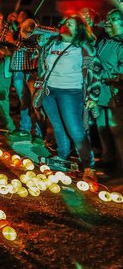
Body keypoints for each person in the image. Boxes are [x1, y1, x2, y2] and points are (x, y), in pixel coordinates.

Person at [39, 14, 101, 181]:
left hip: (71, 92)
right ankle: (62, 155)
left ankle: (89, 165)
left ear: (79, 29)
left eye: (71, 24)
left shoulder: (84, 48)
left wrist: (93, 95)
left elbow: (95, 72)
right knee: (57, 126)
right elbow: (42, 64)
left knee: (75, 129)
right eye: (66, 23)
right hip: (49, 91)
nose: (67, 26)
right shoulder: (52, 43)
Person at [9, 12, 47, 144]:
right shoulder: (15, 31)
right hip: (18, 71)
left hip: (32, 71)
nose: (20, 21)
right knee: (24, 102)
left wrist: (15, 42)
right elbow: (1, 37)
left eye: (22, 19)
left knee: (36, 104)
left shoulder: (37, 32)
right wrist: (8, 22)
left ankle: (39, 133)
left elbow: (35, 48)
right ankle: (24, 128)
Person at [95, 9, 123, 172]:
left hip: (115, 94)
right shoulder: (104, 40)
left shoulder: (121, 44)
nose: (107, 22)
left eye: (112, 19)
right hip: (100, 92)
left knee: (117, 130)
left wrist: (101, 74)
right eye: (107, 18)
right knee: (102, 127)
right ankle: (108, 158)